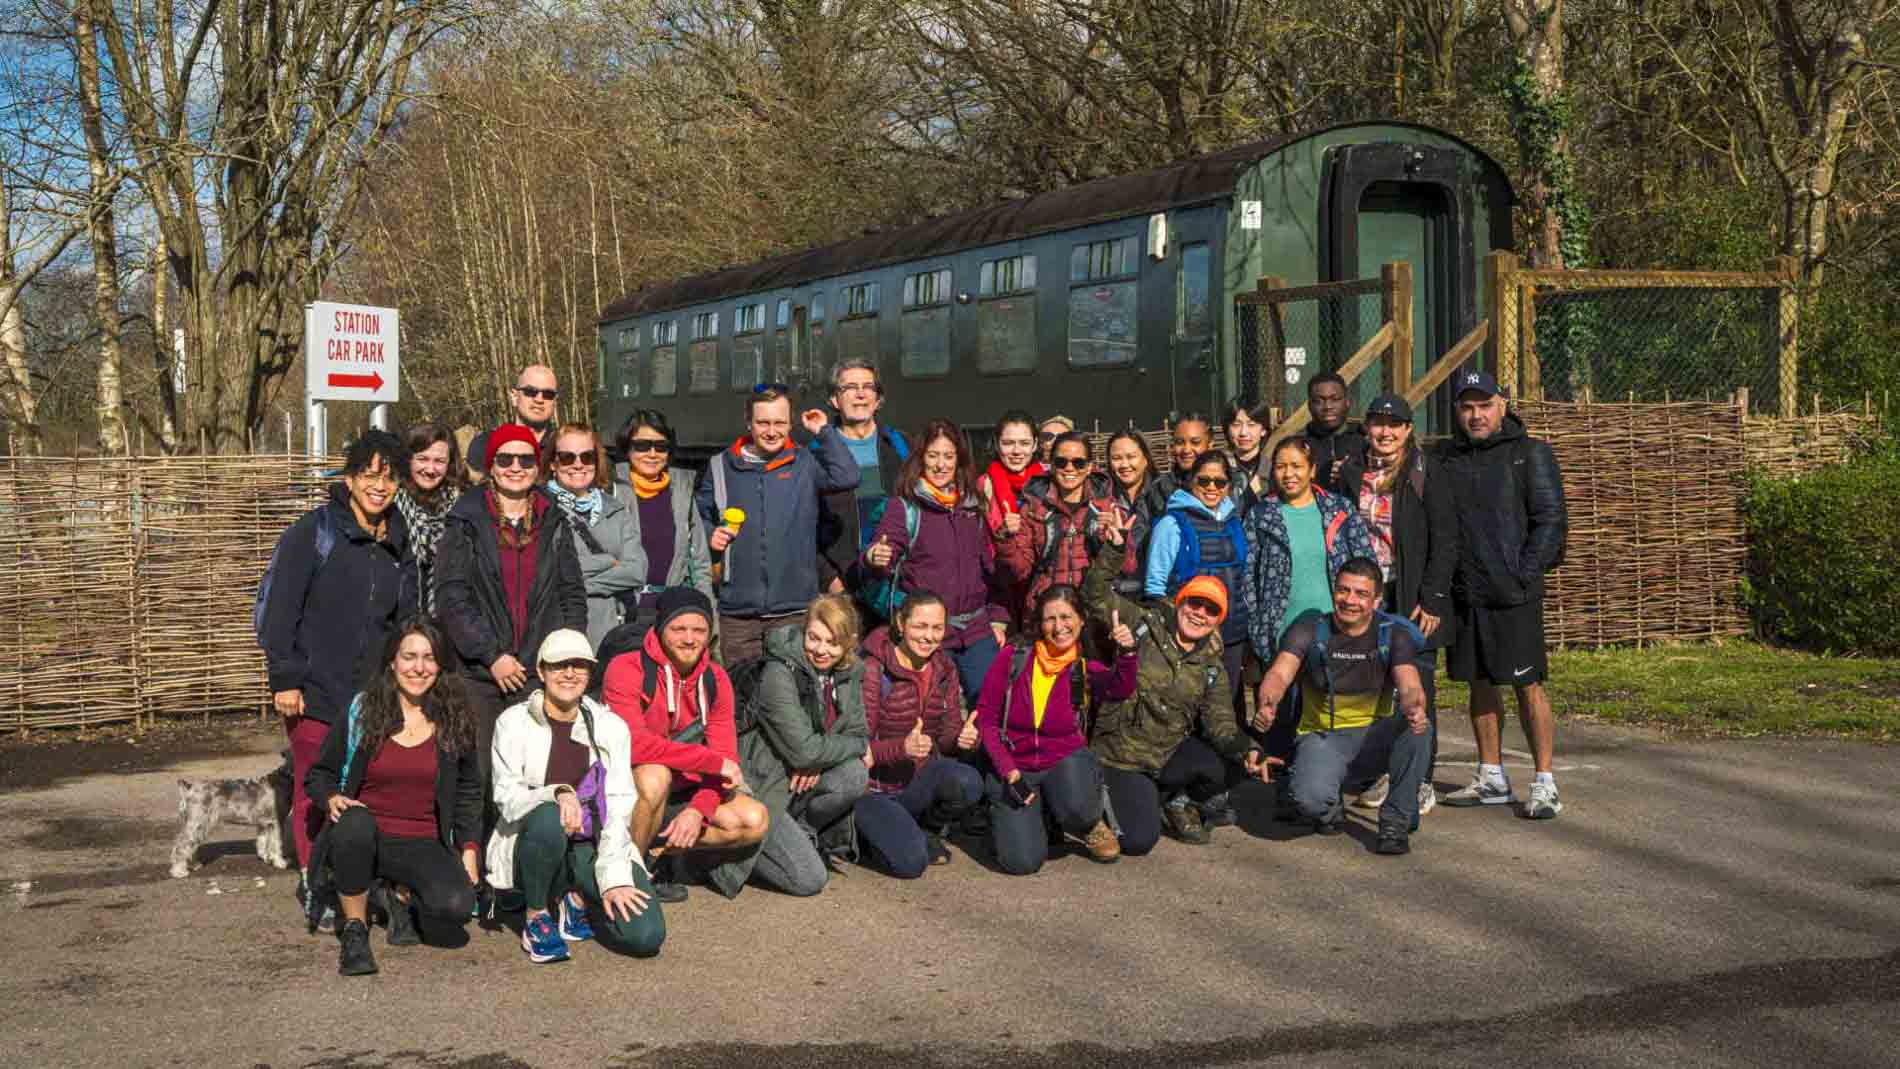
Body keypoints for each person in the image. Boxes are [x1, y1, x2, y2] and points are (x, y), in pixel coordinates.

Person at [262, 430, 413, 903]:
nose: (379, 486)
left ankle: (357, 882)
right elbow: (279, 610)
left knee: (366, 788)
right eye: (369, 474)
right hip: (314, 691)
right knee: (314, 791)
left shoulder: (399, 541)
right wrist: (285, 677)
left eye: (388, 478)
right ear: (349, 479)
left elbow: (404, 620)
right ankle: (316, 883)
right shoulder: (314, 532)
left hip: (372, 696)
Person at [304, 619, 480, 976]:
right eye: (409, 656)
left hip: (423, 841)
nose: (418, 667)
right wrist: (332, 798)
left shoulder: (454, 716)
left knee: (456, 908)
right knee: (354, 824)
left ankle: (395, 894)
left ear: (441, 664)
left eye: (429, 658)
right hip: (365, 834)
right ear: (392, 661)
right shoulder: (364, 710)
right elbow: (319, 774)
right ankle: (355, 929)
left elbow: (468, 789)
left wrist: (470, 849)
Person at [1434, 370, 1568, 820]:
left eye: (1484, 405)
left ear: (1503, 405)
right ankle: (1491, 776)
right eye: (1467, 407)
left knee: (1527, 685)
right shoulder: (1445, 458)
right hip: (1466, 594)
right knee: (1479, 682)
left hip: (1513, 594)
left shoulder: (1530, 455)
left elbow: (1551, 521)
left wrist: (1524, 576)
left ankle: (1544, 782)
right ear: (1457, 411)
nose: (1476, 415)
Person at [434, 422, 587, 812]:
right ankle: (477, 859)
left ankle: (528, 862)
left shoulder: (553, 519)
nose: (515, 467)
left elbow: (571, 593)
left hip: (539, 668)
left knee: (536, 771)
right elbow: (453, 595)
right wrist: (491, 654)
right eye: (505, 459)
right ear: (491, 465)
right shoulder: (466, 519)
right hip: (482, 673)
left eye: (525, 459)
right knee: (481, 774)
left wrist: (562, 655)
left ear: (538, 467)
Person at [487, 629, 663, 963]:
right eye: (559, 665)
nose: (569, 673)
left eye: (579, 666)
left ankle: (577, 898)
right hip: (534, 841)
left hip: (590, 844)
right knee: (548, 816)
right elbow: (506, 797)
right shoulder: (512, 722)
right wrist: (557, 793)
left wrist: (613, 879)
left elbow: (620, 803)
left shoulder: (610, 727)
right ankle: (537, 915)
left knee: (646, 936)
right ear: (541, 671)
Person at [1084, 532, 1260, 852]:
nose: (1199, 614)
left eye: (1211, 610)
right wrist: (1114, 549)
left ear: (1217, 619)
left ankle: (1171, 801)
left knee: (1222, 767)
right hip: (1121, 755)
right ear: (1181, 602)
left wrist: (1249, 749)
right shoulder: (1143, 624)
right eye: (1195, 603)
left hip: (1164, 753)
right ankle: (1106, 795)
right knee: (1139, 842)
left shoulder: (1211, 666)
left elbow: (1221, 725)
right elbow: (1094, 595)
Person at [1249, 558, 1430, 855]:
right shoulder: (1309, 629)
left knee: (1418, 730)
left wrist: (1414, 706)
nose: (1350, 600)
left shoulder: (1391, 633)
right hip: (1325, 737)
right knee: (1309, 800)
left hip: (1375, 737)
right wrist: (1268, 701)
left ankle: (1395, 821)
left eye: (1361, 594)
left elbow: (1409, 683)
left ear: (1377, 600)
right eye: (1343, 591)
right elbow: (1280, 673)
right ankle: (1330, 807)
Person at [1336, 394, 1459, 817]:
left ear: (1408, 429)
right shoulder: (1353, 472)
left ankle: (1420, 778)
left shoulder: (1426, 472)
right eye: (1377, 423)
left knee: (1416, 686)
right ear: (1366, 427)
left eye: (1395, 424)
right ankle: (1392, 768)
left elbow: (1446, 539)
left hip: (1411, 596)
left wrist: (1433, 598)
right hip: (1367, 596)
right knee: (1379, 685)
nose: (1385, 432)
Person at [602, 587, 768, 902]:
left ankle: (655, 856)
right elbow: (632, 745)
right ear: (660, 628)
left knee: (753, 820)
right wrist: (709, 760)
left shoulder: (715, 678)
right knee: (655, 775)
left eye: (699, 630)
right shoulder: (626, 667)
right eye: (679, 629)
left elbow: (725, 760)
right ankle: (625, 873)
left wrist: (698, 811)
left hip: (683, 790)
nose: (689, 639)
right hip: (628, 789)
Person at [973, 585, 1135, 874]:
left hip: (1064, 763)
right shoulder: (1014, 657)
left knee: (1078, 807)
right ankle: (1033, 817)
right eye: (1050, 619)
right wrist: (1008, 769)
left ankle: (1089, 821)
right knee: (1021, 862)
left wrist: (1127, 653)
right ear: (1040, 623)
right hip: (1015, 767)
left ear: (1081, 619)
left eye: (1066, 617)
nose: (1059, 627)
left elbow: (1120, 688)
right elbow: (985, 718)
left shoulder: (1083, 666)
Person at [1242, 436, 1379, 764]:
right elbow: (1248, 576)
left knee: (1326, 716)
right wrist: (1257, 628)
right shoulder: (1262, 515)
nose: (1288, 474)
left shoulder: (1338, 510)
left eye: (1296, 466)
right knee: (1283, 714)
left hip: (1333, 630)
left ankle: (1325, 784)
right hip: (1281, 633)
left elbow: (1365, 564)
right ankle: (1285, 788)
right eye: (1280, 467)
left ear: (1312, 469)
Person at [697, 386, 858, 663]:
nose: (771, 431)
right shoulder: (720, 466)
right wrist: (711, 533)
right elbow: (698, 517)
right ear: (749, 422)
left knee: (788, 697)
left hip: (793, 610)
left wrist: (824, 431)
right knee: (744, 696)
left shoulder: (804, 463)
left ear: (791, 423)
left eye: (780, 423)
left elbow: (847, 476)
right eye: (763, 423)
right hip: (738, 613)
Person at [860, 419, 1010, 701]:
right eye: (933, 456)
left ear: (959, 461)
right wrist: (874, 557)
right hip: (929, 634)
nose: (941, 465)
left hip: (976, 630)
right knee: (935, 713)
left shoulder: (973, 506)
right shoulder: (905, 507)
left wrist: (999, 618)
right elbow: (882, 553)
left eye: (948, 456)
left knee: (993, 706)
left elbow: (991, 570)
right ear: (920, 459)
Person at [736, 594, 870, 896]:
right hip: (764, 786)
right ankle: (741, 852)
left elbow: (858, 730)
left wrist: (819, 760)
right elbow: (805, 750)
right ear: (804, 629)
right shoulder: (779, 672)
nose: (821, 650)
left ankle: (801, 835)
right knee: (810, 880)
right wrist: (848, 747)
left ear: (848, 642)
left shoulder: (850, 672)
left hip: (797, 780)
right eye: (814, 637)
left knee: (855, 775)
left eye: (832, 642)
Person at [855, 594, 985, 876]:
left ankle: (924, 829)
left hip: (914, 783)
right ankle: (865, 835)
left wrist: (965, 737)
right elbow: (855, 747)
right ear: (901, 623)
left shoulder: (944, 668)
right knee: (911, 864)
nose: (929, 637)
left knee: (967, 781)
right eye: (920, 626)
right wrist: (901, 747)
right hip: (872, 788)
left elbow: (946, 737)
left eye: (937, 628)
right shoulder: (873, 668)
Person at [1144, 451, 1252, 717]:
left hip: (1231, 632)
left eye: (1220, 482)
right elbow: (1155, 585)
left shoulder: (1234, 521)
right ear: (1191, 481)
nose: (1212, 488)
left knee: (1226, 706)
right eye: (1204, 481)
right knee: (1189, 708)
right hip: (1189, 632)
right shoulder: (1172, 523)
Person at [543, 422, 657, 648]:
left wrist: (575, 583)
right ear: (553, 464)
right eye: (567, 457)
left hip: (615, 634)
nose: (578, 465)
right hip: (565, 635)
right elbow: (549, 573)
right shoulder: (542, 511)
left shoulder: (615, 509)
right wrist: (608, 562)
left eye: (587, 456)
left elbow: (636, 571)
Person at [999, 431, 1123, 635]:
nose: (1069, 468)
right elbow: (1020, 571)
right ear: (1051, 465)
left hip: (1093, 612)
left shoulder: (1108, 507)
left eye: (1079, 463)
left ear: (1090, 467)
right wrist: (1006, 538)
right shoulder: (1033, 507)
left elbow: (1128, 566)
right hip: (1047, 613)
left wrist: (1117, 542)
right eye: (1061, 462)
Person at [607, 410, 715, 628]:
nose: (652, 453)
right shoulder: (610, 490)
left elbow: (700, 564)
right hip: (622, 612)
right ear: (627, 448)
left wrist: (707, 612)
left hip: (672, 613)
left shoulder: (682, 494)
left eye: (661, 446)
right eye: (642, 446)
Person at [815, 359, 911, 601]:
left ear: (877, 399)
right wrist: (830, 581)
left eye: (868, 386)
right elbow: (802, 529)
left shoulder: (901, 447)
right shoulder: (816, 455)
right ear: (834, 400)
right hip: (843, 587)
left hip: (896, 582)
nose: (860, 394)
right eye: (849, 387)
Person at [393, 421, 465, 615]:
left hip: (446, 619)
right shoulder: (390, 506)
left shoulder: (461, 509)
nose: (431, 469)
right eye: (422, 459)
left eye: (439, 461)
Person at [469, 364, 561, 479]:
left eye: (548, 394)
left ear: (555, 402)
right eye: (530, 392)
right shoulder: (485, 444)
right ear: (514, 397)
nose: (539, 399)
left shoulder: (566, 446)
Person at [1102, 430, 1157, 596]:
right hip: (1114, 591)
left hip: (1154, 588)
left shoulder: (1161, 494)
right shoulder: (1102, 497)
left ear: (1145, 459)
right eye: (1117, 458)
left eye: (1131, 456)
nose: (1124, 465)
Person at [1139, 412, 1215, 517]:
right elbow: (1142, 529)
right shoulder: (1159, 488)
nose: (1186, 450)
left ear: (1210, 445)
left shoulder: (1225, 485)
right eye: (1179, 442)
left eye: (1195, 442)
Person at [1304, 372, 1367, 492]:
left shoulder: (1364, 442)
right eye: (1319, 401)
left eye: (1335, 399)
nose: (1328, 406)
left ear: (1347, 402)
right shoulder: (1299, 444)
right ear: (1309, 405)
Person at [1221, 396, 1271, 514]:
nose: (1243, 432)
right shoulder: (1218, 467)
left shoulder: (1273, 469)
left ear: (1263, 429)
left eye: (1251, 424)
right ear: (1227, 429)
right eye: (1236, 424)